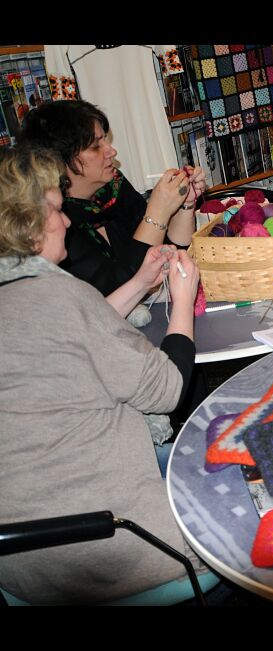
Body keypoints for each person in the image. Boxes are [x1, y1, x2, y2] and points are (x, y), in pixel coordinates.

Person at [0, 147, 204, 604]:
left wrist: (137, 284)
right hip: (123, 549)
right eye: (55, 209)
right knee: (228, 453)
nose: (68, 221)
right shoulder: (61, 295)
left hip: (20, 570)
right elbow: (166, 389)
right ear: (24, 222)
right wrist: (182, 299)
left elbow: (69, 338)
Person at [17, 99, 206, 296]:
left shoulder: (113, 189)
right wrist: (157, 213)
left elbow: (170, 251)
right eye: (95, 146)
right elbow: (116, 288)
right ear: (59, 159)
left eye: (105, 139)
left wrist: (186, 203)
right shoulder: (55, 220)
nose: (111, 151)